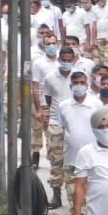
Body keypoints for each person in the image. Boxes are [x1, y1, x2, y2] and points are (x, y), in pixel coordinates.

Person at [58, 70, 96, 215]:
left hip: (93, 160)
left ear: (87, 85)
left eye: (82, 83)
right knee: (75, 198)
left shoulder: (95, 104)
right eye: (76, 83)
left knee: (92, 197)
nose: (79, 86)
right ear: (71, 85)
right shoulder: (64, 106)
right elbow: (63, 129)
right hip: (72, 159)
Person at [42, 46, 76, 210]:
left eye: (70, 60)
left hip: (74, 123)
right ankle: (56, 196)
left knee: (74, 162)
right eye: (64, 60)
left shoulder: (78, 77)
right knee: (55, 160)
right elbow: (48, 99)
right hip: (56, 123)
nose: (67, 63)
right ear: (59, 59)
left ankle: (76, 199)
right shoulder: (50, 77)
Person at [29, 32, 60, 170]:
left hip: (57, 102)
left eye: (54, 43)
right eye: (48, 44)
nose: (52, 46)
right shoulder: (39, 63)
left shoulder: (63, 61)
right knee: (37, 130)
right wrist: (38, 108)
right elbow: (35, 87)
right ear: (43, 45)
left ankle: (53, 159)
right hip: (42, 101)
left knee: (53, 133)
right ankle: (35, 154)